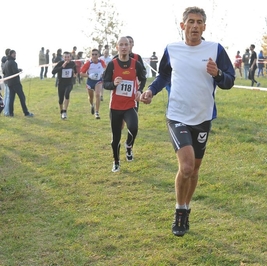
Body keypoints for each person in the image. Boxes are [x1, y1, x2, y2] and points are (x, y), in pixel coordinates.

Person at [141, 6, 235, 237]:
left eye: (199, 22)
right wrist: (152, 91)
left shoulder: (215, 49)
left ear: (204, 26)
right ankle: (179, 212)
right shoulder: (172, 49)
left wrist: (217, 74)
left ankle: (186, 207)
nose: (195, 26)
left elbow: (229, 81)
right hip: (178, 115)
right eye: (190, 22)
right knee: (186, 167)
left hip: (203, 117)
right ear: (182, 25)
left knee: (194, 172)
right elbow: (164, 75)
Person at [102, 36, 147, 172]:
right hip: (115, 107)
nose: (123, 47)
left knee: (133, 128)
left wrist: (139, 90)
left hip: (130, 104)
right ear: (117, 47)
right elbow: (105, 83)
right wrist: (113, 84)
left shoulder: (135, 63)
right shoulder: (112, 64)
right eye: (120, 45)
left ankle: (129, 146)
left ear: (129, 46)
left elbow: (143, 78)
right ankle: (116, 161)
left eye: (126, 44)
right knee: (116, 138)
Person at [3, 50, 34, 117]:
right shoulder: (13, 62)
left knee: (11, 98)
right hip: (16, 83)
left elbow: (4, 72)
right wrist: (19, 70)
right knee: (22, 97)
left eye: (15, 54)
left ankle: (11, 113)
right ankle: (26, 113)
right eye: (14, 54)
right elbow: (15, 72)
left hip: (9, 83)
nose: (15, 55)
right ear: (11, 54)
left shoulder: (6, 63)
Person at [80, 49, 106, 119]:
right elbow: (81, 73)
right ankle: (92, 105)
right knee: (91, 97)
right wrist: (89, 76)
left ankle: (97, 112)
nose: (94, 56)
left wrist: (103, 73)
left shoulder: (101, 62)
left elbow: (105, 68)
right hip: (90, 81)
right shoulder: (88, 63)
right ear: (91, 55)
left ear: (98, 55)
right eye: (93, 54)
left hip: (98, 81)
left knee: (97, 94)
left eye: (96, 54)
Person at [51, 51, 77, 120]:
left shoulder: (72, 63)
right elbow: (53, 72)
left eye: (68, 57)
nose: (67, 58)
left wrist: (75, 74)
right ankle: (61, 111)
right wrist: (62, 67)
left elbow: (75, 71)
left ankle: (65, 111)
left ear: (70, 57)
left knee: (67, 94)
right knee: (60, 100)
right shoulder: (60, 63)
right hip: (61, 84)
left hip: (69, 83)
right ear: (63, 57)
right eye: (65, 57)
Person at [1, 48, 11, 116]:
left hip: (5, 79)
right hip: (8, 80)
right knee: (8, 96)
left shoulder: (3, 61)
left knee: (5, 96)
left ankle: (5, 110)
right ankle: (6, 112)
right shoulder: (6, 61)